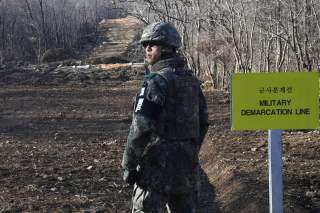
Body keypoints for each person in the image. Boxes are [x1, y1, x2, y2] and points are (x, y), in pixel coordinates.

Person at [122, 21, 209, 213]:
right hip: (187, 166)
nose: (147, 49)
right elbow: (203, 122)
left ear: (168, 48)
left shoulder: (156, 82)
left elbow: (141, 127)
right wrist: (189, 149)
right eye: (145, 45)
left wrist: (129, 164)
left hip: (157, 168)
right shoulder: (192, 81)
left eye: (152, 45)